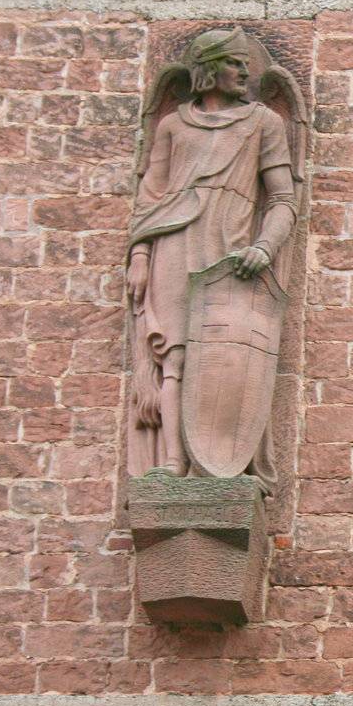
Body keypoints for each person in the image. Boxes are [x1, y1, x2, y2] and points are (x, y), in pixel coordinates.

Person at [126, 28, 297, 486]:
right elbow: (151, 197)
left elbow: (283, 199)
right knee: (174, 356)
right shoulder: (172, 126)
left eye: (245, 63)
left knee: (222, 355)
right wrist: (140, 254)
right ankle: (170, 464)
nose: (244, 72)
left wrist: (264, 247)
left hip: (230, 252)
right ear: (207, 70)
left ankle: (219, 460)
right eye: (232, 62)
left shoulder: (264, 123)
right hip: (173, 241)